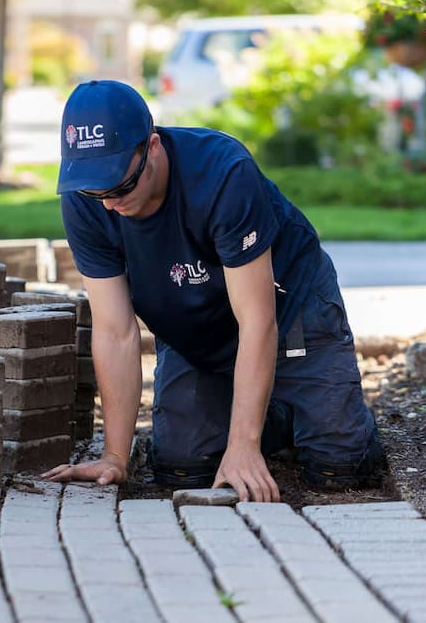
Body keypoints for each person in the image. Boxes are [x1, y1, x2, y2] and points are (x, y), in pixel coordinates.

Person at [42, 80, 385, 502]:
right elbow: (115, 331)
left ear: (152, 148)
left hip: (290, 312)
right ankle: (271, 417)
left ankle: (296, 412)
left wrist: (243, 446)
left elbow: (257, 320)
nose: (110, 204)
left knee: (340, 467)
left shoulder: (223, 173)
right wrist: (115, 456)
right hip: (195, 327)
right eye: (97, 191)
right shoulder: (85, 200)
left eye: (121, 186)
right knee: (182, 467)